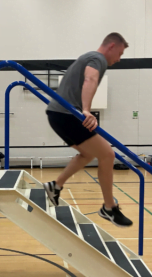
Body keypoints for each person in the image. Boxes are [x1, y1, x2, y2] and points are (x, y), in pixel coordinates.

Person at [43, 32, 133, 228]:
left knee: (87, 154)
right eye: (119, 54)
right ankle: (108, 208)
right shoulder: (97, 58)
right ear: (111, 46)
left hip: (56, 114)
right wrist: (85, 110)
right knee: (108, 155)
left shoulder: (87, 57)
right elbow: (90, 79)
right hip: (67, 114)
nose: (118, 60)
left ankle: (55, 186)